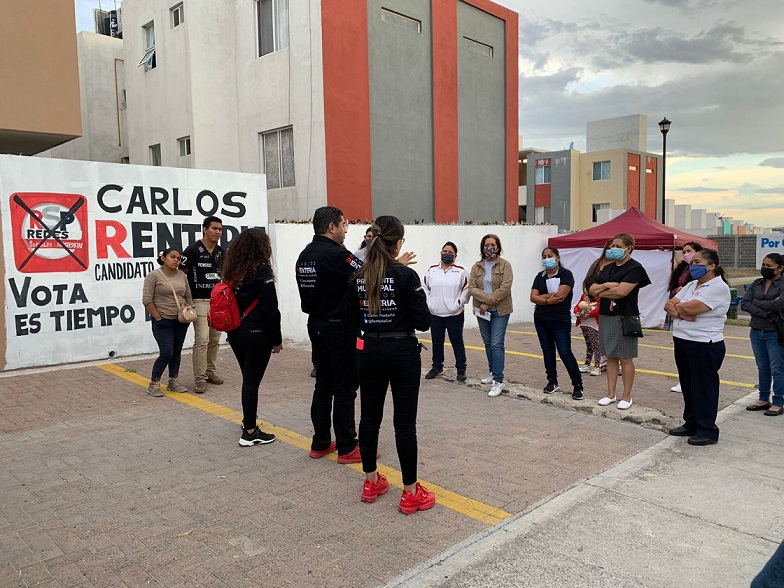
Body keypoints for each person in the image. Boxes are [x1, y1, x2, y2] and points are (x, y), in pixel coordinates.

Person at [350, 215, 434, 514]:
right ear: (398, 243)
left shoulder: (359, 275)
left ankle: (371, 480)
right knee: (404, 424)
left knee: (369, 419)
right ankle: (410, 492)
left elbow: (353, 317)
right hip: (401, 351)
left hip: (368, 349)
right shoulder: (405, 276)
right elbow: (423, 321)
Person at [295, 207, 364, 463]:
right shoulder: (337, 254)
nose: (346, 230)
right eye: (343, 225)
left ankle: (321, 442)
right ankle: (347, 447)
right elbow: (367, 272)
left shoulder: (305, 255)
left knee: (323, 384)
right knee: (344, 387)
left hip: (317, 325)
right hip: (339, 326)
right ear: (331, 227)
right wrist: (396, 266)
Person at [221, 229, 283, 447]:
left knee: (248, 378)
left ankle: (248, 420)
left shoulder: (233, 270)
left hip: (236, 332)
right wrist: (277, 340)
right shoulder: (261, 271)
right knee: (251, 381)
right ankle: (250, 431)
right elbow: (271, 310)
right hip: (257, 334)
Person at [664, 249, 730, 445]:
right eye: (692, 263)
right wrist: (682, 310)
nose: (693, 266)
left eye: (698, 263)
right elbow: (669, 305)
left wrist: (681, 307)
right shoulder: (692, 284)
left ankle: (707, 430)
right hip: (683, 339)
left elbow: (690, 308)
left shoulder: (718, 287)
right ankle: (691, 423)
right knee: (688, 384)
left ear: (712, 266)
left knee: (703, 387)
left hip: (704, 343)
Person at [589, 233, 651, 410]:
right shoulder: (608, 268)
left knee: (625, 357)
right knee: (610, 356)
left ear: (628, 248)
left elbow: (621, 292)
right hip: (607, 316)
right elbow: (592, 288)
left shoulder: (635, 268)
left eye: (617, 246)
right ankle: (610, 394)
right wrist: (608, 287)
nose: (612, 249)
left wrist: (603, 290)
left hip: (625, 317)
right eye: (611, 246)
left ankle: (627, 395)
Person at [530, 247, 584, 399]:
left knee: (565, 352)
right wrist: (547, 299)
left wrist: (541, 297)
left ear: (558, 258)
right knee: (547, 352)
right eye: (544, 256)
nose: (547, 259)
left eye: (550, 256)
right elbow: (532, 297)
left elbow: (560, 296)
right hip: (541, 318)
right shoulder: (539, 276)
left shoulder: (566, 275)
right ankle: (552, 381)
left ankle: (577, 384)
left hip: (560, 319)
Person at [181, 216, 224, 394]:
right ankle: (199, 379)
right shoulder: (192, 250)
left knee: (214, 339)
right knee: (202, 340)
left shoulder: (222, 252)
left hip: (217, 303)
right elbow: (182, 275)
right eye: (214, 228)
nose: (217, 232)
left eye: (220, 229)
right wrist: (186, 300)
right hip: (198, 301)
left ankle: (209, 372)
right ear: (204, 229)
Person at [142, 248, 193, 397]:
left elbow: (188, 295)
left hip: (180, 321)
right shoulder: (154, 276)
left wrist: (189, 312)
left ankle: (173, 381)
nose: (176, 260)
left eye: (178, 258)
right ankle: (154, 383)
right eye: (172, 257)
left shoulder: (182, 275)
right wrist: (158, 317)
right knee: (166, 353)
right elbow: (147, 300)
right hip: (163, 322)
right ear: (163, 258)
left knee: (176, 352)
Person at [469, 234, 513, 397]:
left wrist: (487, 303)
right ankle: (492, 372)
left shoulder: (505, 265)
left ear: (498, 246)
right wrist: (486, 301)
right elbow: (472, 287)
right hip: (481, 311)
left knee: (496, 343)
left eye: (493, 244)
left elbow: (505, 287)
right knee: (488, 343)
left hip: (500, 310)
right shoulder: (477, 266)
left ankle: (499, 381)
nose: (490, 247)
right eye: (486, 245)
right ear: (482, 247)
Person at [741, 253, 784, 416]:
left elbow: (779, 304)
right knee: (763, 367)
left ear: (780, 268)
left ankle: (779, 401)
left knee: (777, 368)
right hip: (757, 329)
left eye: (769, 266)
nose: (764, 268)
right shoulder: (757, 283)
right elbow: (745, 304)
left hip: (775, 332)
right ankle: (763, 398)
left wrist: (756, 303)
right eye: (763, 265)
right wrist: (766, 312)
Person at [423, 242, 470, 382]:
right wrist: (429, 303)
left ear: (455, 255)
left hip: (454, 314)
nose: (447, 254)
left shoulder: (461, 270)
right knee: (437, 342)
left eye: (450, 252)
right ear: (440, 253)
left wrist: (460, 303)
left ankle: (461, 369)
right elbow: (424, 287)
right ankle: (437, 367)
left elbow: (467, 289)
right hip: (435, 313)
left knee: (457, 342)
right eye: (444, 251)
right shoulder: (431, 270)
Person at [667, 241, 703, 393]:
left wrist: (683, 299)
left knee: (696, 354)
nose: (685, 254)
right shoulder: (682, 269)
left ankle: (694, 381)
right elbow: (671, 298)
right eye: (684, 251)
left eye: (689, 251)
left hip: (694, 316)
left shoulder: (701, 275)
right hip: (679, 312)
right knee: (681, 353)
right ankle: (683, 380)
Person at [574, 277, 602, 377]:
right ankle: (587, 364)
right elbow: (577, 306)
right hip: (584, 324)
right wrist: (577, 312)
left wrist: (589, 314)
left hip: (593, 325)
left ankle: (597, 365)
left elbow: (599, 309)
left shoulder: (599, 297)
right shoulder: (584, 297)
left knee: (596, 346)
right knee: (589, 345)